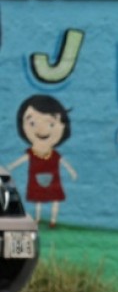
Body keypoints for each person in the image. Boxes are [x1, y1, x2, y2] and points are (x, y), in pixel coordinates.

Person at [6, 94, 78, 228]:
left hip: (54, 181)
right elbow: (22, 159)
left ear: (63, 126)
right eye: (32, 123)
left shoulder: (54, 154)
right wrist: (12, 166)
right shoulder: (32, 153)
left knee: (55, 199)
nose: (41, 130)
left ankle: (53, 220)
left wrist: (72, 171)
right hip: (36, 181)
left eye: (51, 123)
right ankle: (38, 218)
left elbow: (64, 163)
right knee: (38, 199)